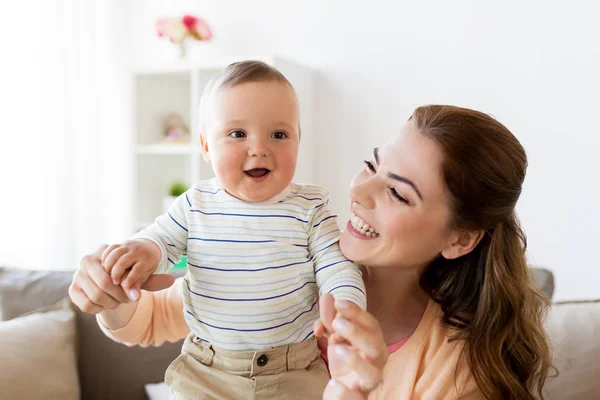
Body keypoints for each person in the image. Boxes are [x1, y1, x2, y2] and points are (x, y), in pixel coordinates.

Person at [71, 105, 554, 399]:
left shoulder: (457, 367)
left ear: (459, 239)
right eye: (372, 165)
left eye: (399, 194)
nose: (361, 193)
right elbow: (149, 321)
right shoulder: (278, 261)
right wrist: (112, 295)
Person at [93, 60, 366, 398]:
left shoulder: (310, 209)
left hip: (294, 370)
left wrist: (346, 308)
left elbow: (336, 266)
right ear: (206, 146)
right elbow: (159, 240)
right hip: (208, 372)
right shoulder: (195, 205)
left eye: (279, 134)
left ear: (298, 140)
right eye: (238, 134)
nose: (259, 148)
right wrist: (145, 252)